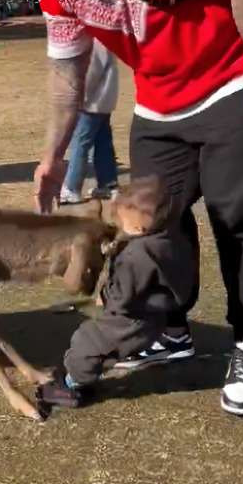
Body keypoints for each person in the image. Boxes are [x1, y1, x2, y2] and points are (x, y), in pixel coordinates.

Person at [0, 0, 243, 416]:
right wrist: (52, 157)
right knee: (153, 225)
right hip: (159, 99)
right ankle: (171, 328)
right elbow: (66, 74)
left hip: (232, 77)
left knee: (236, 213)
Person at [37, 175, 195, 411]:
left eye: (124, 222)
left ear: (139, 227)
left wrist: (105, 296)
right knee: (100, 347)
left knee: (88, 343)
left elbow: (122, 296)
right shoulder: (169, 238)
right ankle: (83, 376)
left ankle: (72, 386)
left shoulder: (137, 258)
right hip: (155, 312)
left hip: (130, 319)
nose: (120, 225)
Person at [59, 37, 119, 204]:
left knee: (81, 142)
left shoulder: (95, 40)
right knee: (102, 141)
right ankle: (108, 183)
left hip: (92, 102)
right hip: (104, 100)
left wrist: (78, 96)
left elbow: (91, 72)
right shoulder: (103, 37)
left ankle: (72, 187)